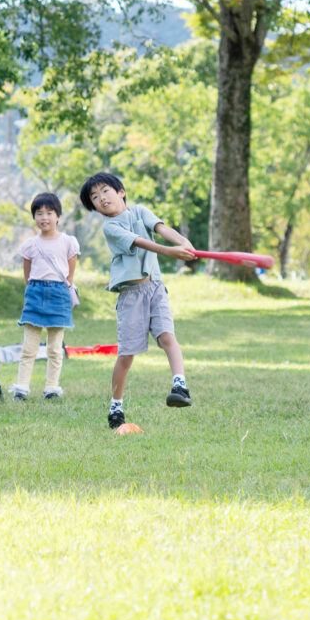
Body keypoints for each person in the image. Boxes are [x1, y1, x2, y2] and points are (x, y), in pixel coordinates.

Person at [79, 171, 197, 429]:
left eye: (105, 191)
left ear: (120, 191)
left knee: (167, 336)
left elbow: (161, 229)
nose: (101, 199)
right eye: (95, 198)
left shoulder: (140, 211)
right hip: (131, 295)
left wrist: (184, 243)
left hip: (155, 288)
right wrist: (171, 251)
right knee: (127, 355)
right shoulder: (111, 227)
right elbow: (142, 242)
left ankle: (180, 385)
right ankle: (116, 406)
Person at [9, 192, 79, 401]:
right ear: (34, 217)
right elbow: (27, 274)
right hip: (35, 293)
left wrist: (62, 287)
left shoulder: (68, 241)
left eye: (49, 212)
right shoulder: (30, 244)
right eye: (39, 213)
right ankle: (21, 388)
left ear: (58, 216)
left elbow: (70, 273)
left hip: (59, 294)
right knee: (29, 347)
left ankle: (51, 388)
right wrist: (34, 289)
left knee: (55, 348)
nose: (44, 217)